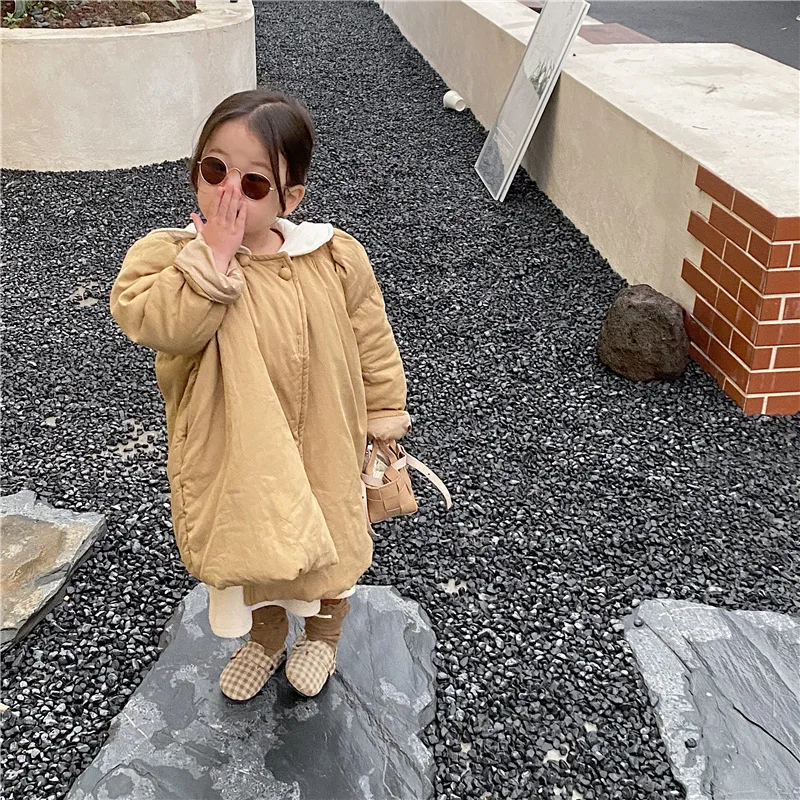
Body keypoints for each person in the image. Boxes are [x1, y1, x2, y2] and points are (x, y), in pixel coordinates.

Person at [110, 89, 410, 702]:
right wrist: (213, 260)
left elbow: (371, 335)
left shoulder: (331, 256)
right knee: (254, 544)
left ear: (288, 198)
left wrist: (382, 413)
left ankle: (323, 635)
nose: (228, 193)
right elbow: (163, 326)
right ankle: (265, 638)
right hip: (239, 444)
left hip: (325, 435)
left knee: (332, 538)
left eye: (252, 183)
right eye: (215, 170)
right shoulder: (171, 259)